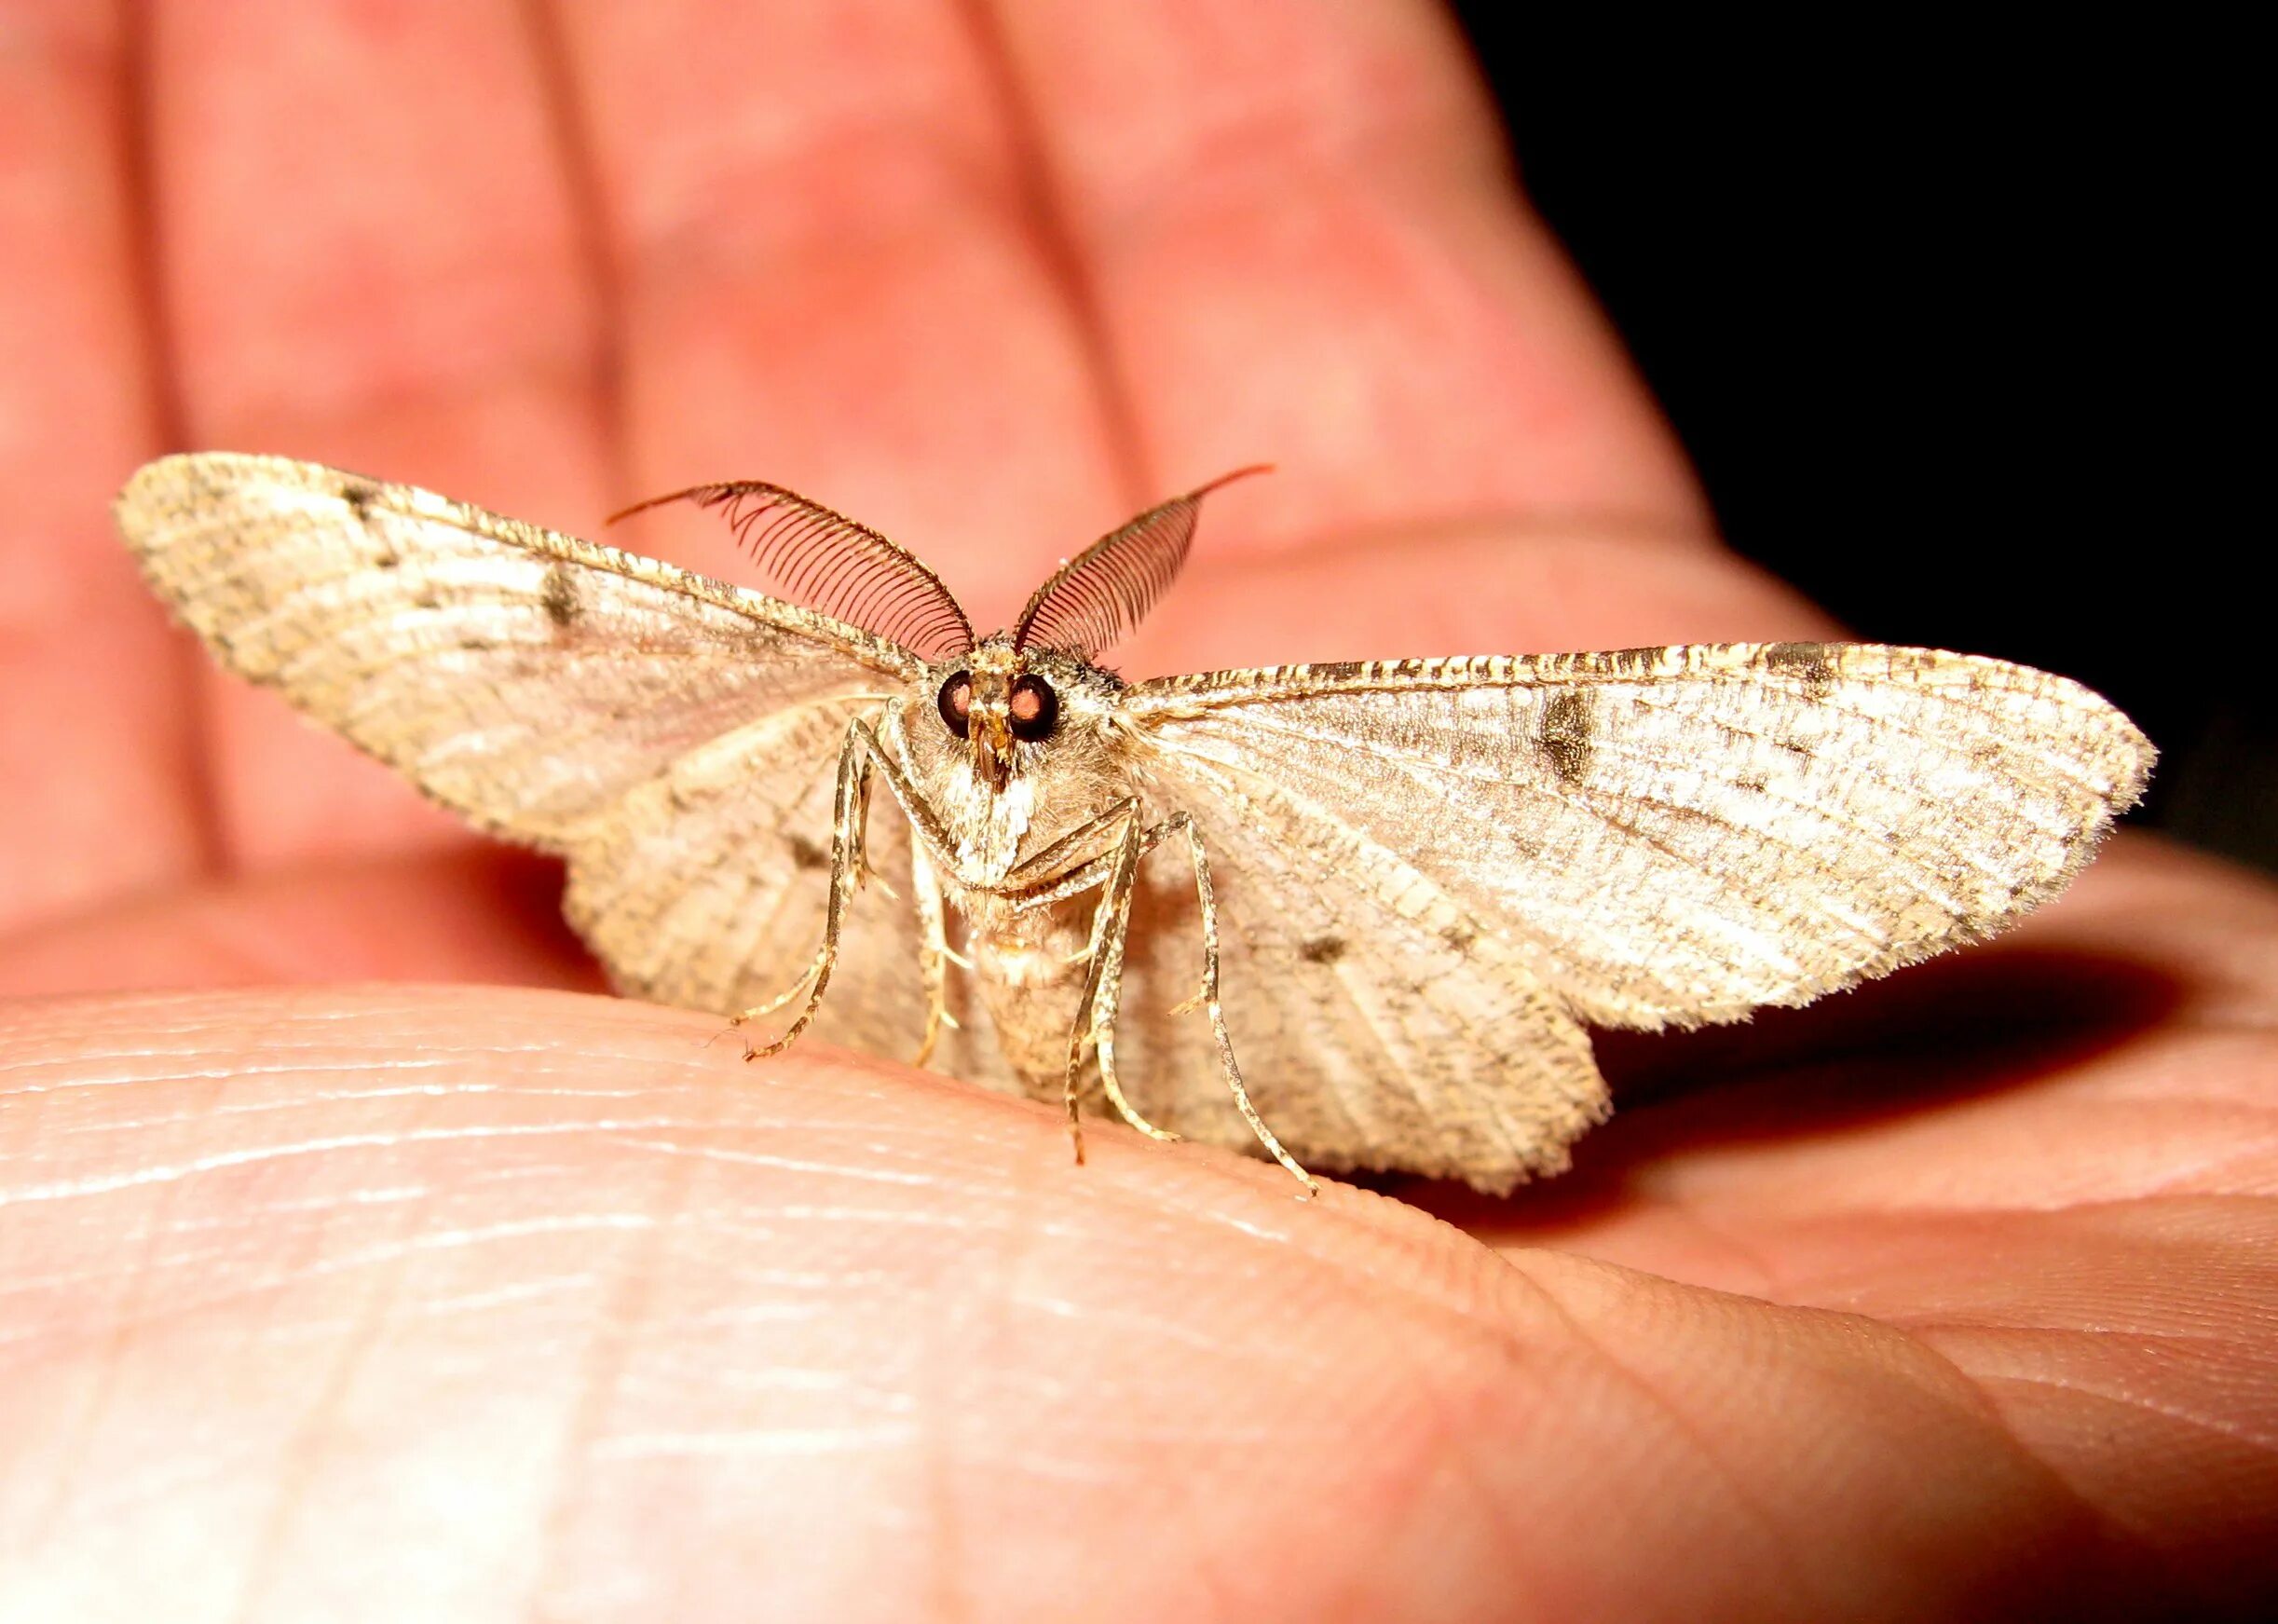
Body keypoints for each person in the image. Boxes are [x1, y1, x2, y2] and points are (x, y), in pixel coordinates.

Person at [2, 7, 2270, 1618]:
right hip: (809, 937)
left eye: (1030, 703)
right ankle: (840, 992)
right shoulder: (868, 702)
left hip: (1292, 1013)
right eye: (960, 702)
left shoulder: (1207, 742)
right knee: (771, 830)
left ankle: (1246, 1127)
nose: (989, 731)